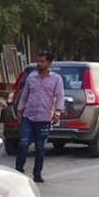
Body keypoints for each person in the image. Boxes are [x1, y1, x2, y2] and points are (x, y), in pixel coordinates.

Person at [14, 51, 64, 183]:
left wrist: (57, 113)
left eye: (42, 61)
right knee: (23, 143)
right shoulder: (31, 77)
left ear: (49, 63)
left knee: (40, 148)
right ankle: (18, 170)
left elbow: (60, 97)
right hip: (28, 117)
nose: (39, 64)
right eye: (38, 61)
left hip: (44, 119)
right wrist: (19, 110)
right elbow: (25, 95)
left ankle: (37, 174)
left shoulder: (56, 79)